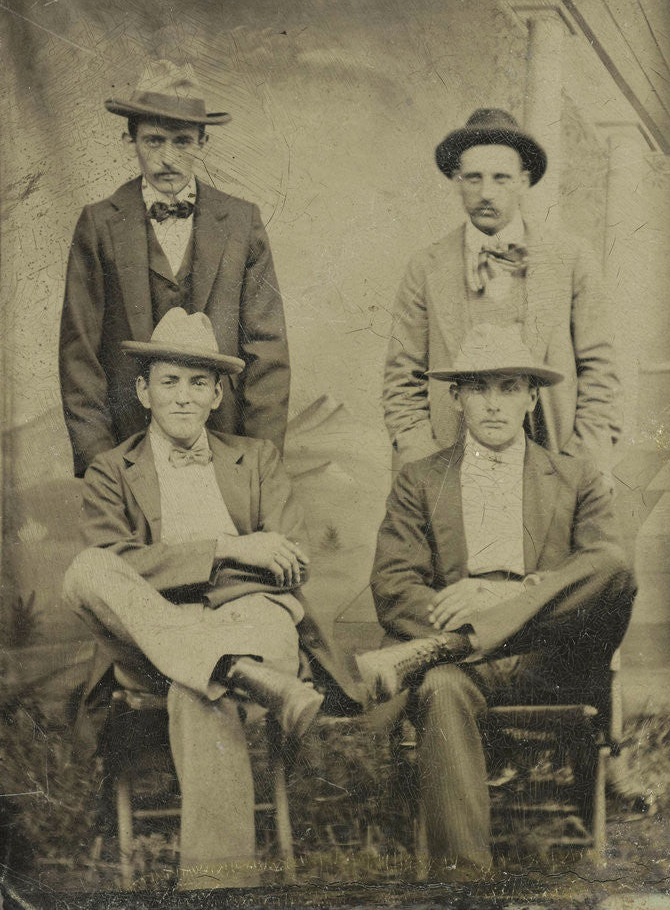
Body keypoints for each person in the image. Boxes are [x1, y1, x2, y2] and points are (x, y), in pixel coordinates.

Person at [63, 308, 364, 888]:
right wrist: (232, 547)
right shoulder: (111, 471)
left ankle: (217, 893)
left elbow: (290, 562)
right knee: (86, 570)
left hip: (249, 622)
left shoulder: (257, 461)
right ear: (143, 391)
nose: (183, 397)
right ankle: (227, 667)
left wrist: (206, 587)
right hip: (154, 640)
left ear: (218, 392)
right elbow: (115, 566)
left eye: (198, 382)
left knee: (196, 687)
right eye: (169, 381)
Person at [359, 323, 636, 879]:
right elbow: (394, 587)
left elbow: (604, 577)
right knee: (438, 685)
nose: (494, 404)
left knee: (615, 563)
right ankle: (462, 879)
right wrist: (469, 637)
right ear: (456, 398)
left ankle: (480, 630)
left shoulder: (576, 477)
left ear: (532, 397)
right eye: (479, 388)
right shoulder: (420, 480)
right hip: (463, 663)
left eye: (509, 387)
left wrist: (505, 598)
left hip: (554, 660)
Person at [60, 60, 290, 478]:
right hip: (126, 454)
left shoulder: (242, 222)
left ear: (203, 141)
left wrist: (259, 465)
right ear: (130, 138)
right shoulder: (98, 224)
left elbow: (267, 352)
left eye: (182, 141)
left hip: (226, 453)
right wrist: (104, 466)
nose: (167, 158)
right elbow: (79, 356)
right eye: (153, 140)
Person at [383, 109, 620, 477]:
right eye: (473, 178)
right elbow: (402, 379)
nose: (486, 193)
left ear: (524, 182)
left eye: (501, 178)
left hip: (553, 464)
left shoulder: (572, 259)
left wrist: (574, 468)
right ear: (457, 181)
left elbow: (600, 372)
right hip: (452, 469)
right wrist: (427, 470)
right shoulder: (426, 266)